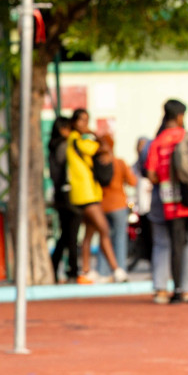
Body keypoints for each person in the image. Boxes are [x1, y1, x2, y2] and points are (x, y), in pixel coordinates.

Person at [145, 99, 188, 302]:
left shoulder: (157, 142)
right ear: (181, 116)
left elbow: (151, 174)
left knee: (177, 245)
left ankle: (176, 290)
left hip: (172, 204)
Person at [65, 109, 129, 283]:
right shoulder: (76, 140)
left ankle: (86, 270)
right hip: (85, 194)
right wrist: (94, 134)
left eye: (87, 120)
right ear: (74, 122)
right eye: (81, 121)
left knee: (89, 234)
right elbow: (100, 148)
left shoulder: (78, 140)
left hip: (90, 192)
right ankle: (116, 269)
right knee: (104, 229)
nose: (84, 124)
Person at [96, 132, 137, 276]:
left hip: (101, 205)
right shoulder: (119, 162)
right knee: (120, 238)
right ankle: (120, 271)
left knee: (103, 238)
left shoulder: (96, 162)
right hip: (118, 205)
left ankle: (102, 271)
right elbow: (133, 181)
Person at [49, 118, 81, 283]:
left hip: (60, 195)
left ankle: (55, 267)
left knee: (66, 235)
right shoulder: (65, 146)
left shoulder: (53, 145)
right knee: (71, 235)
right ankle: (73, 270)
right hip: (70, 194)